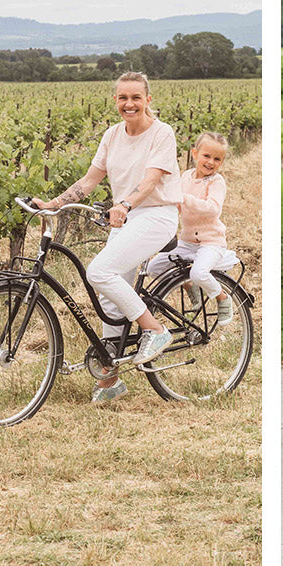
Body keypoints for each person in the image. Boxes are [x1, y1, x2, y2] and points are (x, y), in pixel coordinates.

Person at [32, 71, 182, 403]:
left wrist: (125, 203)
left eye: (135, 98)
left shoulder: (162, 133)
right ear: (115, 100)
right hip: (125, 218)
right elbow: (88, 181)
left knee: (99, 272)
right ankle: (110, 379)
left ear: (148, 100)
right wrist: (53, 204)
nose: (129, 104)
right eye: (122, 98)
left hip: (156, 214)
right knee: (109, 299)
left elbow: (152, 181)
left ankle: (155, 330)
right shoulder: (112, 135)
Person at [147, 132, 238, 326]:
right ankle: (190, 288)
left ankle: (222, 298)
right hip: (187, 242)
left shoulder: (216, 182)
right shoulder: (186, 177)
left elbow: (213, 209)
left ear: (221, 162)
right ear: (195, 154)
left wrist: (185, 198)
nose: (211, 162)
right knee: (154, 268)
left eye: (217, 159)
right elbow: (176, 203)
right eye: (206, 156)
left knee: (199, 273)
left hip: (210, 243)